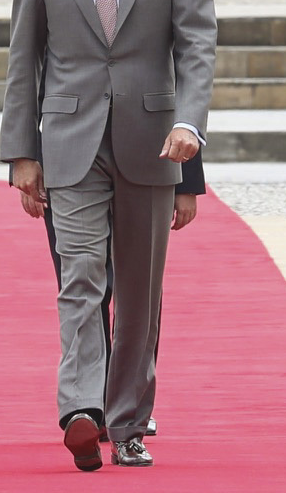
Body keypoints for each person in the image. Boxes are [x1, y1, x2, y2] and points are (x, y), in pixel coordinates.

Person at [0, 0, 218, 471]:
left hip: (153, 143)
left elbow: (196, 47)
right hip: (68, 140)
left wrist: (191, 131)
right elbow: (23, 59)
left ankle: (127, 422)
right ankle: (81, 409)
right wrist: (21, 152)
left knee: (139, 293)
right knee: (82, 275)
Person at [23, 151, 206, 441]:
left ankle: (126, 407)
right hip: (68, 163)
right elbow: (26, 104)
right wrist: (24, 160)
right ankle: (89, 406)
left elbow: (178, 108)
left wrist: (187, 182)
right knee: (82, 285)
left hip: (146, 160)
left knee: (139, 291)